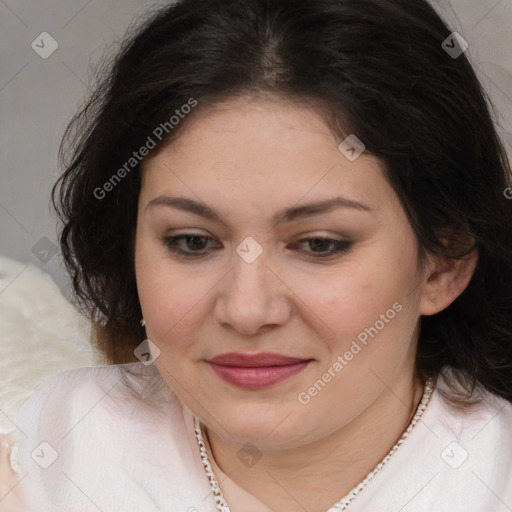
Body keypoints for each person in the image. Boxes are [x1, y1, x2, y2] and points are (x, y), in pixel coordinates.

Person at [3, 0, 512, 510]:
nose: (246, 311)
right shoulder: (50, 455)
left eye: (319, 245)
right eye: (192, 241)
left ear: (443, 262)